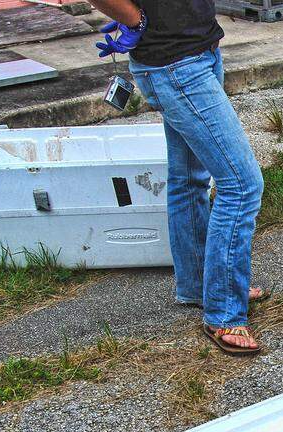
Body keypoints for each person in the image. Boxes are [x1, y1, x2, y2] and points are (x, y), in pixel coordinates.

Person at [91, 0, 265, 354]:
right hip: (175, 65)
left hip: (198, 52)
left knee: (189, 179)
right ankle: (224, 311)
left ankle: (202, 286)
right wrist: (134, 19)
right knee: (242, 185)